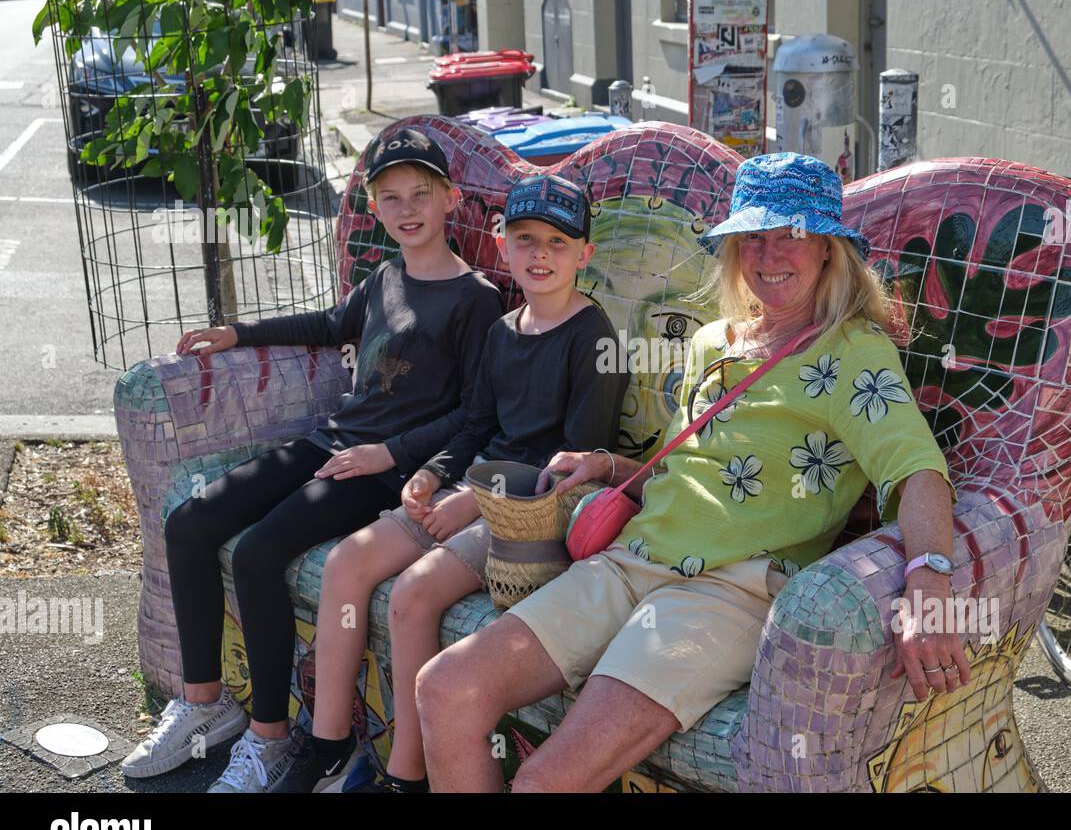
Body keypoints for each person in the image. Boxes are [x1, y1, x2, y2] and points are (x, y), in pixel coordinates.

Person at [414, 153, 962, 792]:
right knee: (444, 687)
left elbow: (917, 468)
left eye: (793, 233)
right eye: (753, 235)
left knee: (543, 783)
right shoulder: (715, 341)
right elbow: (679, 468)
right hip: (628, 562)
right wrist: (609, 465)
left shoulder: (851, 353)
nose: (770, 253)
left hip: (727, 594)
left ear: (829, 250)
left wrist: (930, 577)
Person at [120, 128, 503, 792]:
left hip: (386, 471)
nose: (406, 209)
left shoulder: (477, 299)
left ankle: (270, 738)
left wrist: (390, 451)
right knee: (189, 521)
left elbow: (477, 416)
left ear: (451, 199)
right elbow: (330, 327)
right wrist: (238, 333)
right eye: (390, 198)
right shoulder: (385, 278)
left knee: (259, 552)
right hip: (332, 443)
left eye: (421, 194)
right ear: (376, 209)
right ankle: (205, 704)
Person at [273, 175, 629, 792]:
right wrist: (434, 472)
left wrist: (471, 501)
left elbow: (576, 460)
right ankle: (327, 743)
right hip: (471, 485)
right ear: (505, 247)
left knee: (413, 595)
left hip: (531, 511)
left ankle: (407, 774)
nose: (540, 254)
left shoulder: (594, 338)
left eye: (556, 242)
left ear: (583, 255)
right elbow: (475, 422)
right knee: (347, 564)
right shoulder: (502, 329)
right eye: (524, 240)